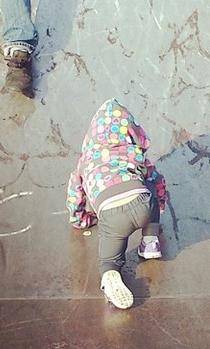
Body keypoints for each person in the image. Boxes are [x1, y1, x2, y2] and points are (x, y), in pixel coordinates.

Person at [67, 98, 168, 310]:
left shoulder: (86, 162)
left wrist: (82, 220)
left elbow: (75, 194)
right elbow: (158, 180)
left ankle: (111, 276)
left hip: (111, 214)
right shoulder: (133, 153)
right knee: (149, 187)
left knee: (109, 261)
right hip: (142, 202)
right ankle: (150, 243)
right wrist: (158, 208)